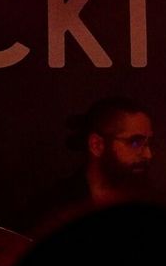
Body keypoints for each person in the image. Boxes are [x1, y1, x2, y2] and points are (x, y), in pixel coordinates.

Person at [20, 96, 156, 235]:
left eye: (148, 143)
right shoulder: (53, 207)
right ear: (96, 145)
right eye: (135, 142)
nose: (148, 154)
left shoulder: (151, 202)